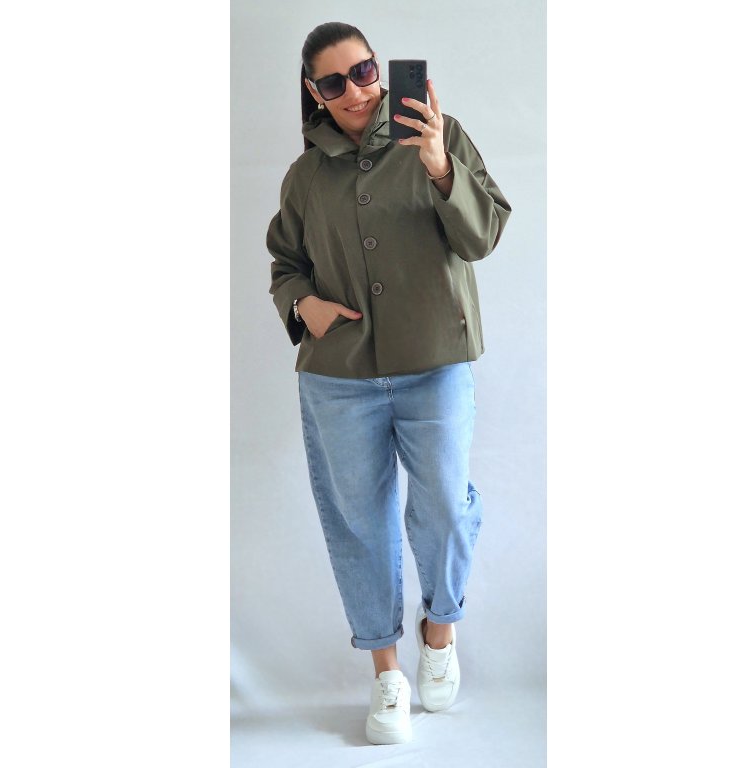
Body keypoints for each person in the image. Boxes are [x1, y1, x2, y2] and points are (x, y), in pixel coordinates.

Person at [266, 21, 511, 745]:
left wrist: (439, 166)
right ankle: (385, 674)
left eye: (364, 71)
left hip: (436, 362)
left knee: (444, 503)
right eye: (333, 82)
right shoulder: (306, 176)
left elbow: (483, 235)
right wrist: (302, 305)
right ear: (314, 92)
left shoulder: (439, 136)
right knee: (359, 524)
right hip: (338, 376)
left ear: (381, 68)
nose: (355, 91)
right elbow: (285, 263)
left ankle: (440, 630)